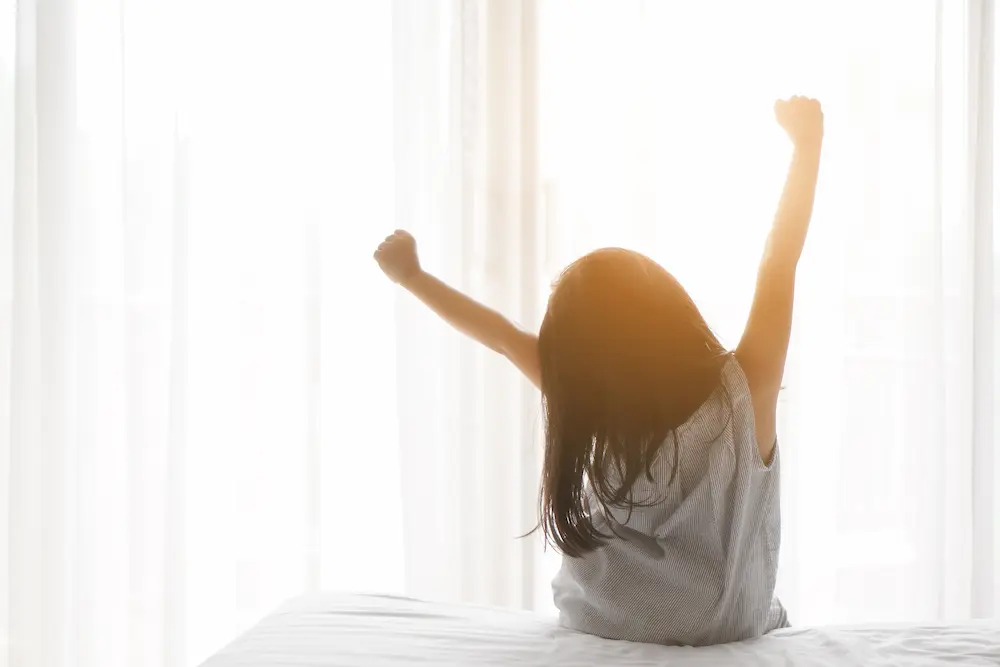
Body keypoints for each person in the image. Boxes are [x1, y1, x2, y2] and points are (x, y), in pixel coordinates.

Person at [374, 96, 823, 646]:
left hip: (613, 614)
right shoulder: (745, 393)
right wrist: (806, 147)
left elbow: (499, 337)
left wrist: (413, 278)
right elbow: (779, 262)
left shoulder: (585, 402)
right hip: (728, 617)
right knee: (769, 606)